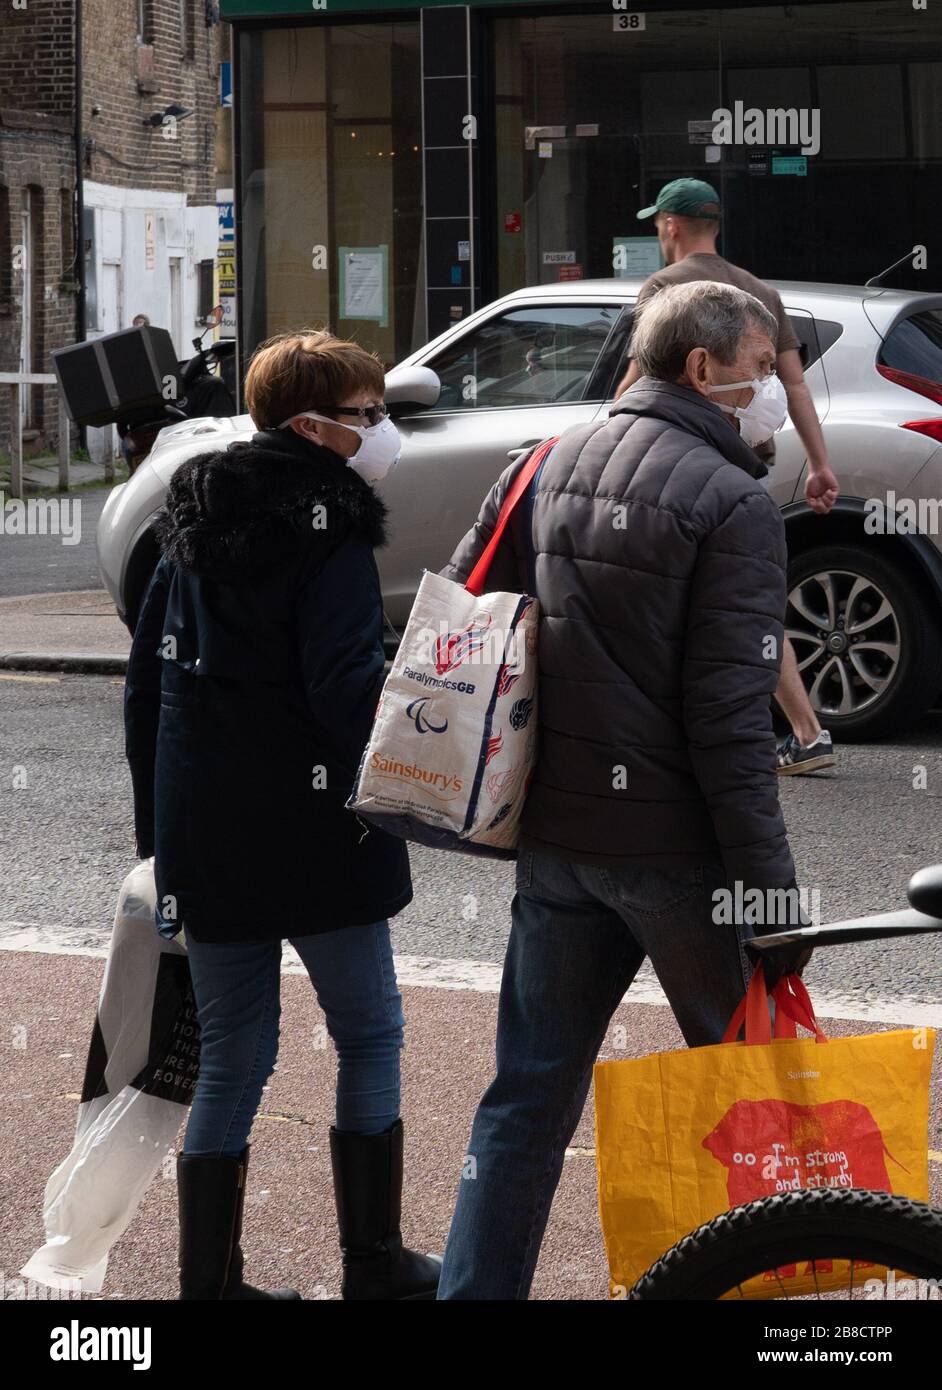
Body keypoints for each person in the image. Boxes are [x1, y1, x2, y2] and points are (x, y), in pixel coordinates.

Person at [435, 280, 812, 1300]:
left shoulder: (545, 462)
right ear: (703, 367)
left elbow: (475, 618)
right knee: (746, 1096)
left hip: (557, 838)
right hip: (677, 856)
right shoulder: (731, 501)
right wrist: (773, 895)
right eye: (763, 367)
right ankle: (757, 1297)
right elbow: (730, 725)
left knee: (525, 1097)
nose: (775, 388)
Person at [124, 329, 441, 1301]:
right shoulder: (331, 533)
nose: (381, 431)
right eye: (366, 414)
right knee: (371, 1033)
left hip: (208, 835)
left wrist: (159, 834)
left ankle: (209, 1286)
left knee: (235, 1055)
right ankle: (374, 1263)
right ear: (312, 427)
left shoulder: (191, 519)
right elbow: (348, 692)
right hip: (316, 839)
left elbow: (145, 691)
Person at [614, 178, 838, 775]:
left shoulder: (665, 287)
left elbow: (639, 381)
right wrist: (819, 465)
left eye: (657, 224)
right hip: (743, 466)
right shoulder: (758, 291)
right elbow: (793, 385)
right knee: (744, 599)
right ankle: (805, 729)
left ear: (670, 225)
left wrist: (604, 440)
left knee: (664, 592)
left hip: (677, 463)